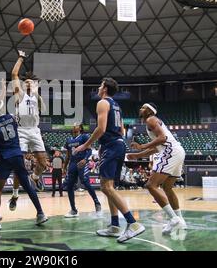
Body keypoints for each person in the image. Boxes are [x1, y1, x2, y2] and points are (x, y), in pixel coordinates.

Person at [74, 78, 145, 243]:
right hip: (117, 145)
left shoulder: (102, 103)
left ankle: (132, 223)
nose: (98, 88)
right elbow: (121, 129)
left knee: (106, 187)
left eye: (100, 85)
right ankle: (114, 226)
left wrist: (86, 145)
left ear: (105, 88)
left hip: (112, 147)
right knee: (109, 187)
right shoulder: (116, 105)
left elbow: (101, 128)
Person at [0, 106, 48, 231]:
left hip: (4, 158)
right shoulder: (12, 117)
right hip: (17, 155)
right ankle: (40, 213)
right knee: (28, 186)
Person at [128, 103, 187, 234]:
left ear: (150, 111)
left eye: (143, 107)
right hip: (178, 151)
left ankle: (173, 219)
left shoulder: (151, 119)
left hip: (171, 152)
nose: (140, 108)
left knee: (150, 185)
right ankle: (181, 221)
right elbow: (156, 148)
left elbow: (162, 138)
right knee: (167, 188)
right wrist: (137, 155)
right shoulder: (153, 122)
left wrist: (142, 146)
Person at [9, 50, 48, 211]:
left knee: (43, 164)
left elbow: (43, 108)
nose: (30, 84)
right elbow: (13, 74)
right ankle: (15, 194)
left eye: (32, 82)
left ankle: (35, 177)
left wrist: (37, 95)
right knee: (19, 166)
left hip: (35, 130)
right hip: (22, 131)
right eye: (27, 82)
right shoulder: (20, 95)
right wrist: (21, 58)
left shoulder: (37, 98)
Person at [63, 124, 101, 218]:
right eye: (73, 125)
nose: (74, 125)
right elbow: (68, 155)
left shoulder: (84, 137)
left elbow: (89, 151)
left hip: (82, 162)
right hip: (72, 163)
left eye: (76, 125)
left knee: (85, 181)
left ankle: (96, 202)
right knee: (70, 186)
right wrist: (64, 166)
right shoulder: (68, 140)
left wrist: (85, 159)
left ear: (80, 128)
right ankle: (73, 210)